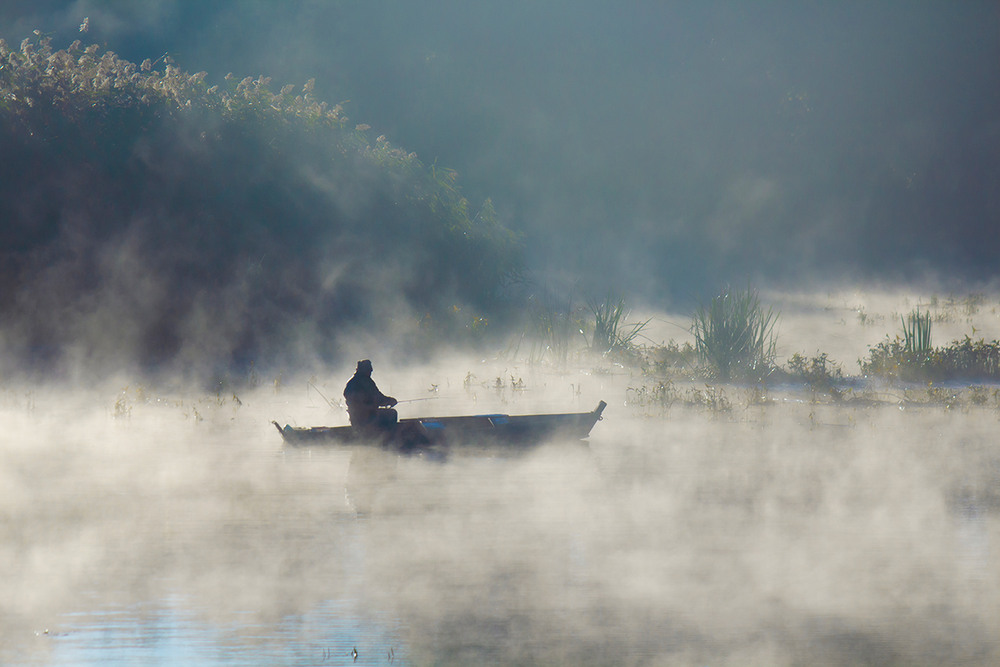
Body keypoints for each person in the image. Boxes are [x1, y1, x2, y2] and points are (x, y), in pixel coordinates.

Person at [343, 359, 398, 430]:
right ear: (365, 370)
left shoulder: (351, 382)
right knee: (392, 413)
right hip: (366, 418)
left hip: (356, 419)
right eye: (369, 369)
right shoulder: (366, 382)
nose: (371, 371)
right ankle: (387, 435)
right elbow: (378, 398)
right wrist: (390, 401)